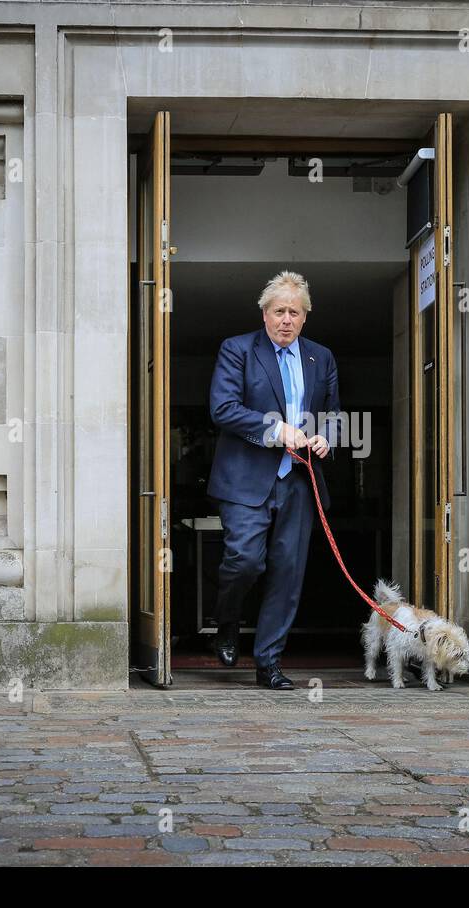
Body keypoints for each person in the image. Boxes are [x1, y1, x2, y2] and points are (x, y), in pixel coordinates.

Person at [206, 270, 341, 689]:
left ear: (305, 317)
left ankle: (268, 664)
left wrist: (325, 438)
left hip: (300, 482)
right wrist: (277, 429)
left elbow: (334, 416)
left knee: (288, 572)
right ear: (265, 313)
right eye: (279, 311)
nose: (286, 319)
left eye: (294, 313)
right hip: (245, 480)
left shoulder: (322, 357)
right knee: (245, 560)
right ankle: (226, 620)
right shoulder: (238, 350)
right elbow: (223, 408)